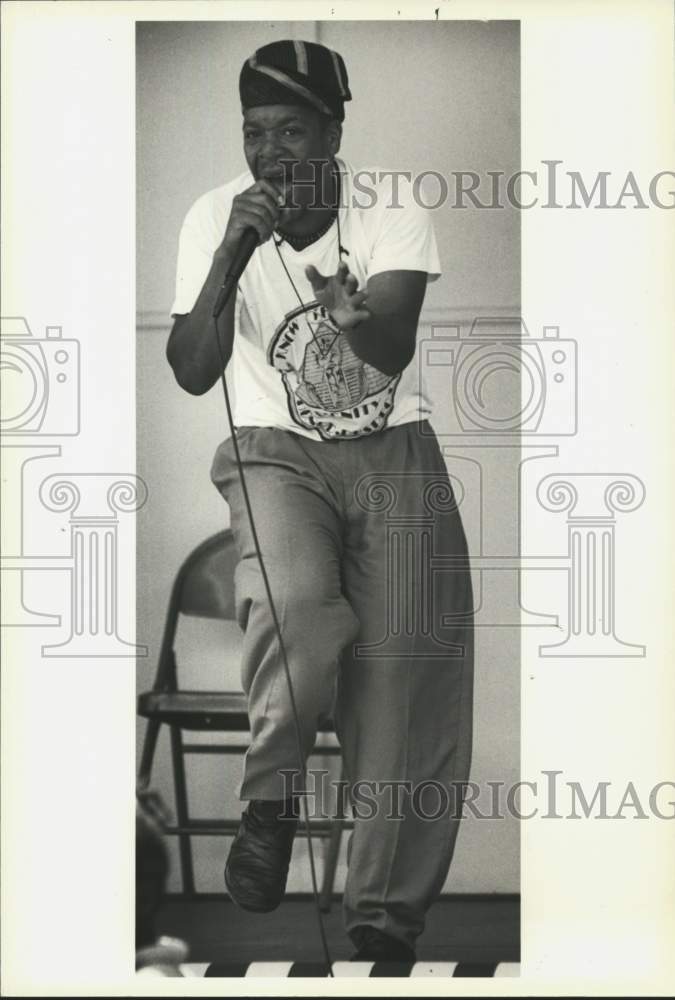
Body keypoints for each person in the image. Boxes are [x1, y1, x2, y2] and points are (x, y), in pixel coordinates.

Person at [167, 39, 474, 963]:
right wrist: (230, 253)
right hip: (273, 451)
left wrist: (349, 315)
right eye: (254, 132)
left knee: (407, 675)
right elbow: (192, 371)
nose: (269, 153)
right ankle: (271, 802)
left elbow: (389, 352)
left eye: (292, 132)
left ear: (334, 133)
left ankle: (384, 920)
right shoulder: (213, 215)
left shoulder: (391, 206)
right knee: (296, 604)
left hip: (392, 452)